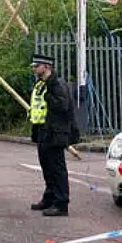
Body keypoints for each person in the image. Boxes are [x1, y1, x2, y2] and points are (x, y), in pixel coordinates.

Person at [28, 53, 75, 217]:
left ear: (46, 67)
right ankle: (49, 199)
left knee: (57, 169)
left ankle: (61, 204)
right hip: (43, 131)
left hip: (54, 133)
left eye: (36, 66)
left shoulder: (56, 84)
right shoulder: (41, 83)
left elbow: (63, 106)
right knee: (47, 168)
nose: (34, 68)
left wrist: (48, 96)